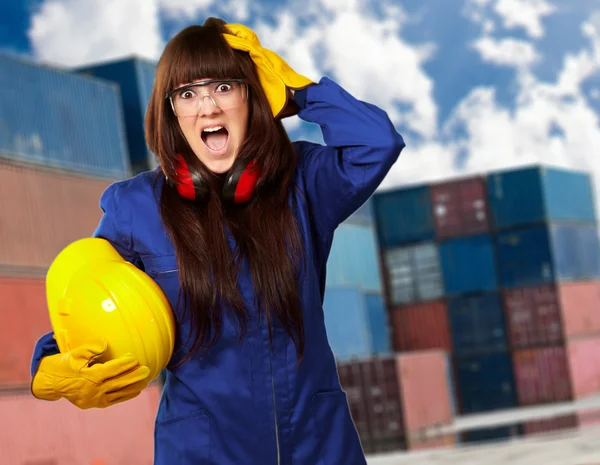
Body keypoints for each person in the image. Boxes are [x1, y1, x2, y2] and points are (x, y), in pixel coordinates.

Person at [29, 17, 405, 465]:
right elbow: (90, 309)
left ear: (252, 95)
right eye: (187, 94)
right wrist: (46, 370)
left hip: (319, 447)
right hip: (203, 455)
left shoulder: (303, 184)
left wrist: (299, 93)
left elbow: (376, 144)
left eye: (224, 87)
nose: (207, 107)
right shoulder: (137, 210)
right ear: (171, 112)